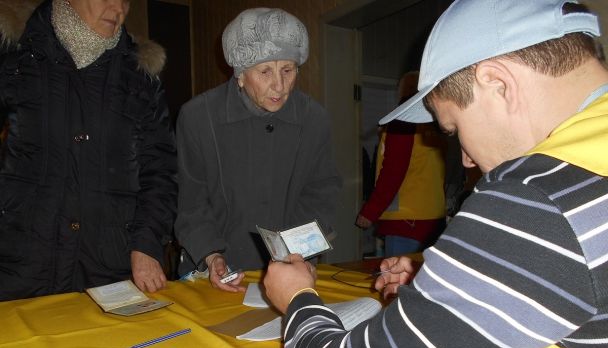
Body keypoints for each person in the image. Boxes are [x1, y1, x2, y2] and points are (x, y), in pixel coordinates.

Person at [264, 1, 608, 348]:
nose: (465, 159)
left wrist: (297, 299)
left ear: (497, 83)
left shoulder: (536, 197)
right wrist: (450, 279)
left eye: (453, 128)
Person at [0, 0, 177, 301]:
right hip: (22, 262)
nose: (118, 8)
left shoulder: (140, 75)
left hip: (109, 264)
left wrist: (146, 243)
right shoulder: (16, 59)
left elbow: (160, 170)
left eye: (125, 0)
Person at [175, 7, 341, 292]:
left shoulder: (314, 119)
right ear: (240, 74)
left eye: (288, 70)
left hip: (291, 267)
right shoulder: (198, 117)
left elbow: (321, 193)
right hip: (214, 267)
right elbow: (191, 201)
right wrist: (211, 254)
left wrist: (299, 253)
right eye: (265, 71)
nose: (279, 85)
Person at [356, 71, 446, 255]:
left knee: (396, 273)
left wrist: (370, 211)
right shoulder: (438, 121)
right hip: (435, 219)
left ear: (403, 91)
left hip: (405, 222)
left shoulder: (403, 121)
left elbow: (393, 170)